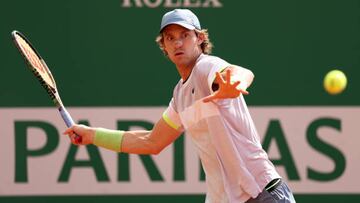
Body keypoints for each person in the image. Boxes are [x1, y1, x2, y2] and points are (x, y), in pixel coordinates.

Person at [64, 9, 296, 203]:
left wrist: (234, 84)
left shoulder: (207, 68)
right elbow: (152, 142)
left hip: (262, 192)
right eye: (170, 37)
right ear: (164, 46)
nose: (177, 42)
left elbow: (240, 73)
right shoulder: (180, 95)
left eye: (184, 35)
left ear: (200, 39)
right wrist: (92, 135)